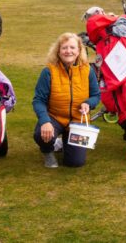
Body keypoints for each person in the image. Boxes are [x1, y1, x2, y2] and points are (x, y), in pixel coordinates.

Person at [32, 32, 100, 168]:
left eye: (72, 47)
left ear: (79, 50)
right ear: (58, 51)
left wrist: (88, 103)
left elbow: (96, 95)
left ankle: (63, 143)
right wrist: (45, 121)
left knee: (75, 163)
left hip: (77, 121)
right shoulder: (48, 72)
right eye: (64, 48)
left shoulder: (88, 71)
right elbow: (38, 100)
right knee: (42, 134)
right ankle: (47, 150)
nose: (68, 51)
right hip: (55, 118)